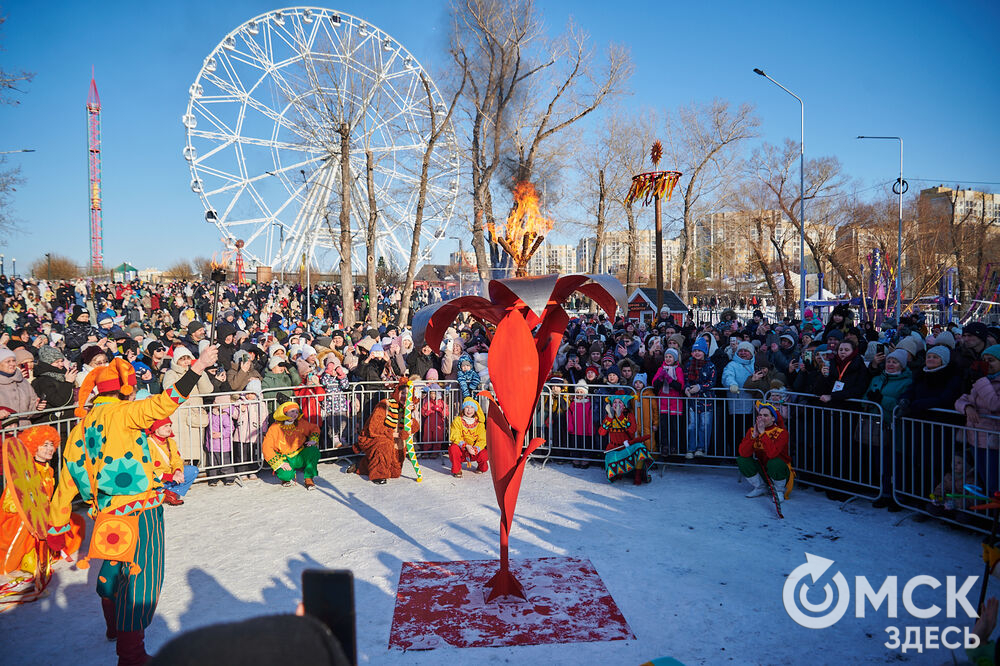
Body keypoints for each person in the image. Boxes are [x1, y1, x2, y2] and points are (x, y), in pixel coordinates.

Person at [45, 347, 218, 665]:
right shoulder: (125, 412)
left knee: (113, 570)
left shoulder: (82, 426)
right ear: (125, 390)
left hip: (106, 512)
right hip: (141, 512)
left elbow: (67, 478)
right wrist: (198, 367)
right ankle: (131, 655)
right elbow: (166, 401)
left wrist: (56, 525)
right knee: (141, 579)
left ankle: (114, 627)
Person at [0, 425, 85, 576]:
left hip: (42, 518)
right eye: (45, 445)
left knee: (76, 522)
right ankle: (27, 554)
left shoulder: (49, 470)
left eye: (51, 444)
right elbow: (10, 503)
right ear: (34, 447)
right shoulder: (25, 471)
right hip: (23, 523)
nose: (50, 449)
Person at [352, 380, 420, 485]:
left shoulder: (407, 409)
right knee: (385, 444)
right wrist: (397, 435)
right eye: (402, 393)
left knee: (395, 473)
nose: (405, 397)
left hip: (395, 441)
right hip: (374, 438)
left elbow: (415, 427)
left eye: (408, 394)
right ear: (397, 393)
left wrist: (410, 417)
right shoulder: (385, 404)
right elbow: (375, 428)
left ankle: (362, 465)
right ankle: (378, 475)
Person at [955, 345, 1000, 496]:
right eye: (984, 360)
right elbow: (961, 400)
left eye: (991, 360)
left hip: (993, 441)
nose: (986, 364)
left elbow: (994, 404)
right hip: (975, 439)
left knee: (995, 483)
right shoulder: (981, 382)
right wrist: (967, 407)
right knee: (984, 480)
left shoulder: (982, 381)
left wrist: (980, 380)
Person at [737, 402, 792, 502]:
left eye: (765, 415)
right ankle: (760, 487)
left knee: (774, 462)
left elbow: (772, 454)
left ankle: (779, 490)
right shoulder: (752, 430)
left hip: (780, 471)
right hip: (764, 468)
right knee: (742, 460)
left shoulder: (782, 433)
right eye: (760, 415)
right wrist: (754, 436)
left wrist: (763, 434)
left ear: (773, 418)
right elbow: (743, 453)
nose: (762, 418)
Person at [262, 401, 321, 489]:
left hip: (299, 455)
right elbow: (266, 447)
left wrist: (313, 440)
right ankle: (285, 478)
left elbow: (314, 428)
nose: (295, 414)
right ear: (285, 412)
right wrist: (280, 463)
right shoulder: (275, 427)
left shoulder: (300, 423)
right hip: (284, 458)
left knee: (313, 451)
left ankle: (309, 478)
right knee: (286, 475)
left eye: (296, 412)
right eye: (292, 411)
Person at [599, 394, 652, 485]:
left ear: (624, 405)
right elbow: (601, 432)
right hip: (614, 448)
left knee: (640, 448)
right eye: (615, 402)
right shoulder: (609, 417)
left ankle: (638, 475)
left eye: (620, 402)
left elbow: (632, 430)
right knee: (610, 459)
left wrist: (621, 417)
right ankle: (618, 473)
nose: (617, 405)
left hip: (628, 447)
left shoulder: (629, 415)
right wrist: (610, 418)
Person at [146, 417, 198, 506]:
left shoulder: (171, 442)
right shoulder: (148, 444)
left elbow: (176, 459)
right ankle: (158, 493)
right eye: (165, 426)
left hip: (170, 477)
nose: (169, 428)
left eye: (170, 425)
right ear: (156, 428)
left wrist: (177, 471)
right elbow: (147, 468)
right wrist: (169, 477)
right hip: (156, 481)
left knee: (193, 470)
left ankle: (170, 494)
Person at [683, 337, 717, 458]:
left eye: (700, 351)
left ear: (704, 352)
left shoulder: (710, 365)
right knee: (692, 425)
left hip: (706, 400)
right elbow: (686, 380)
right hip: (693, 401)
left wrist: (700, 387)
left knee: (704, 425)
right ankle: (691, 448)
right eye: (695, 351)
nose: (697, 353)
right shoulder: (689, 365)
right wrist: (686, 388)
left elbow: (712, 382)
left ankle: (701, 448)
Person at [447, 397, 487, 478]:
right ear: (463, 409)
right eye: (467, 407)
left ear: (475, 409)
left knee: (484, 453)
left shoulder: (479, 423)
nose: (469, 410)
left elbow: (482, 439)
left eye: (472, 407)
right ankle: (457, 470)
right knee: (453, 448)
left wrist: (476, 448)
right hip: (462, 450)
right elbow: (455, 435)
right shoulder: (457, 420)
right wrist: (466, 446)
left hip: (474, 451)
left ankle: (481, 467)